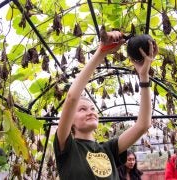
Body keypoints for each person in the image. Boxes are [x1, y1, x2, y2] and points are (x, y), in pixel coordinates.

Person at [53, 31, 159, 180]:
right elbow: (71, 98)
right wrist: (101, 52)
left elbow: (143, 125)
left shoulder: (108, 149)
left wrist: (143, 76)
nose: (90, 112)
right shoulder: (67, 147)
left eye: (92, 109)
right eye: (82, 109)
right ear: (70, 121)